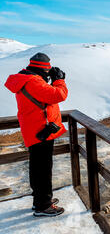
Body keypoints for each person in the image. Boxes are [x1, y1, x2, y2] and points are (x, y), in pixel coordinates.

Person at [4, 53, 68, 217]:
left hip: (35, 131)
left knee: (38, 168)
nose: (49, 74)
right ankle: (43, 206)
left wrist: (51, 79)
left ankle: (40, 201)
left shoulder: (25, 79)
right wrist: (59, 80)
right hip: (41, 132)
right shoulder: (33, 81)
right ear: (42, 69)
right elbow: (59, 95)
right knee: (43, 170)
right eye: (47, 71)